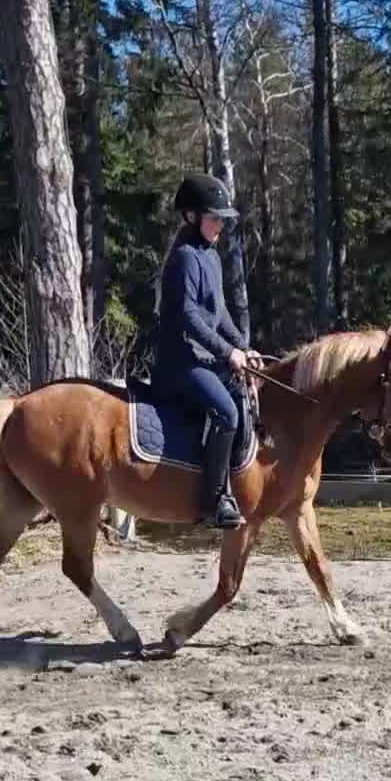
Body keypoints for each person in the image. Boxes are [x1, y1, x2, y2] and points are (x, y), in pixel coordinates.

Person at [153, 173, 261, 530]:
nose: (220, 225)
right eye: (214, 218)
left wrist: (243, 347)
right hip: (179, 364)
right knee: (227, 412)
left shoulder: (209, 256)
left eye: (221, 219)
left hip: (202, 359)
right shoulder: (185, 258)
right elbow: (189, 317)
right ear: (192, 217)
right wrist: (227, 352)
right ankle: (214, 500)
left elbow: (220, 314)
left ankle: (238, 482)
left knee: (246, 398)